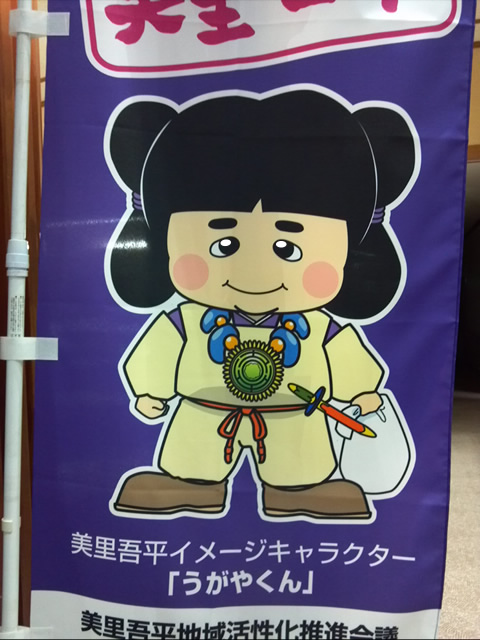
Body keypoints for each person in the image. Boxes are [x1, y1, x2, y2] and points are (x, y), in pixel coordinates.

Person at [105, 87, 417, 519]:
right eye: (223, 243)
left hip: (296, 416)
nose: (255, 270)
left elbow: (346, 358)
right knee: (191, 457)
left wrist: (362, 392)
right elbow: (157, 352)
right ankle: (191, 482)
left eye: (289, 248)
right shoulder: (184, 322)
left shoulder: (320, 330)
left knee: (301, 466)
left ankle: (300, 488)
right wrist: (148, 391)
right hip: (204, 412)